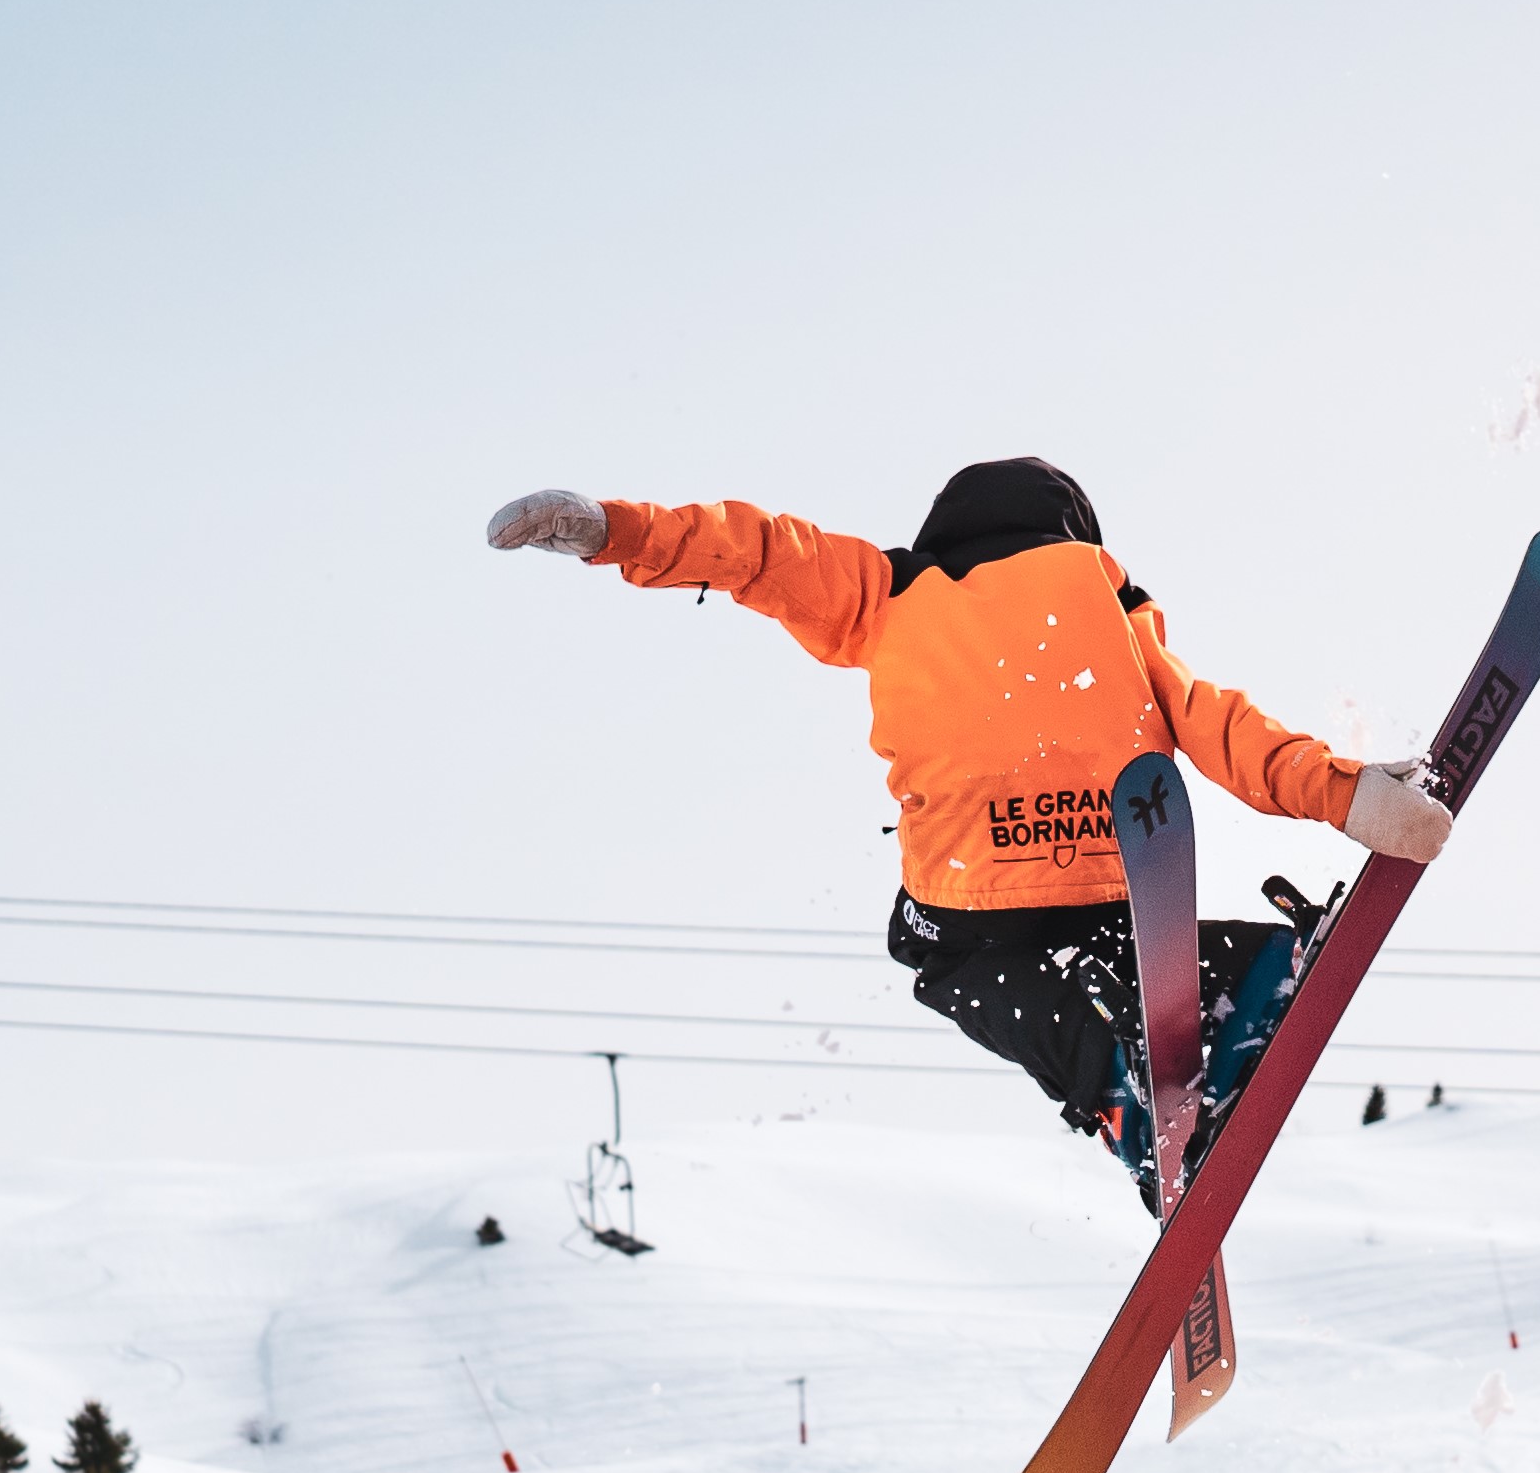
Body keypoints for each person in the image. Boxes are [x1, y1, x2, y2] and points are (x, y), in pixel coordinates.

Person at [487, 459, 1450, 1186]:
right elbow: (1225, 730)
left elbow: (758, 551)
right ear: (1076, 534)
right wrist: (1350, 792)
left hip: (970, 889)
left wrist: (610, 528)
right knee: (1117, 950)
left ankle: (1125, 1098)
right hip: (1108, 859)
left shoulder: (895, 588)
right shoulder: (1112, 611)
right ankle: (1265, 976)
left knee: (942, 955)